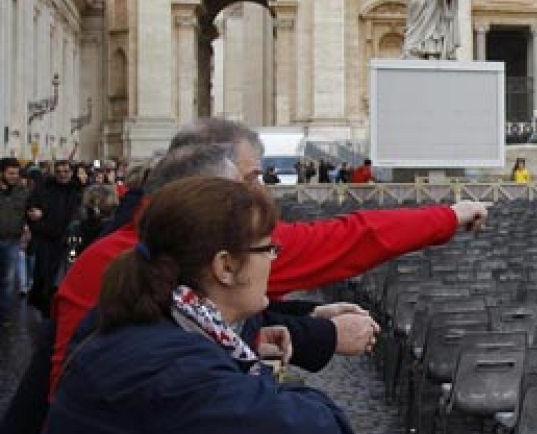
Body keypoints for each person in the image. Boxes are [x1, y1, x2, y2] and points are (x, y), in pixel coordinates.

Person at [40, 118, 486, 399]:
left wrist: (296, 323)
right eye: (250, 179)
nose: (260, 193)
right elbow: (346, 239)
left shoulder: (121, 253)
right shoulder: (221, 245)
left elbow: (200, 331)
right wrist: (449, 216)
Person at [30, 178, 358, 434]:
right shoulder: (175, 373)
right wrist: (262, 372)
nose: (274, 260)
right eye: (268, 249)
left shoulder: (143, 324)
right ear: (225, 266)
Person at [25, 162, 82, 312]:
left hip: (70, 243)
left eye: (66, 171)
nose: (63, 174)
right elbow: (31, 213)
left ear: (71, 172)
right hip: (47, 242)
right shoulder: (44, 190)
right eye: (59, 172)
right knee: (46, 280)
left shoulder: (78, 191)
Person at [0, 159, 28, 325]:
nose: (14, 177)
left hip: (12, 240)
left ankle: (4, 316)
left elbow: (27, 212)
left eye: (16, 173)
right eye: (10, 173)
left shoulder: (22, 191)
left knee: (8, 280)